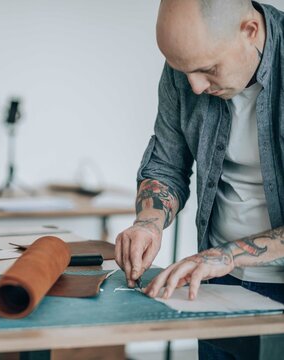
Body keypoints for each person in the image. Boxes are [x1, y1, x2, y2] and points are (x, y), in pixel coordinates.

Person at [115, 0, 284, 357]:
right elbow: (165, 163)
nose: (193, 86)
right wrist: (148, 223)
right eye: (182, 70)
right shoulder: (187, 68)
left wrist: (225, 256)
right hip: (213, 283)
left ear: (249, 31)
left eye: (207, 69)